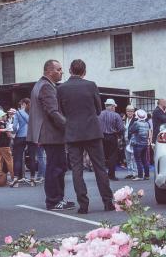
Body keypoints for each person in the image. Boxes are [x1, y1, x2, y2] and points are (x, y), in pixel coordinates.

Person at [57, 59, 114, 213]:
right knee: (100, 168)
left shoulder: (61, 88)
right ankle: (108, 202)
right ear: (84, 71)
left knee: (77, 170)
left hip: (73, 133)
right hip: (92, 131)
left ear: (70, 70)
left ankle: (83, 205)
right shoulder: (91, 85)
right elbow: (98, 109)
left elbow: (61, 111)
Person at [27, 59, 74, 211]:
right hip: (51, 134)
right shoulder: (47, 86)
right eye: (59, 69)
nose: (62, 72)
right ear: (49, 71)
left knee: (56, 166)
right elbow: (53, 111)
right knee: (56, 167)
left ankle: (57, 199)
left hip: (47, 134)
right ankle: (54, 201)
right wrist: (69, 126)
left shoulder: (40, 84)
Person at [11, 98, 35, 187]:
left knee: (17, 158)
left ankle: (16, 180)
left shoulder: (18, 113)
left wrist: (13, 132)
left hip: (20, 137)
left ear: (24, 104)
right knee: (32, 157)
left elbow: (14, 127)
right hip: (31, 136)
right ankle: (32, 180)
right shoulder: (33, 113)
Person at [99, 98, 125, 181]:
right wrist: (119, 135)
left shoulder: (99, 114)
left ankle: (101, 176)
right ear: (113, 106)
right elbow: (121, 128)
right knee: (112, 157)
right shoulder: (116, 115)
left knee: (101, 156)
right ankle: (111, 175)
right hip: (112, 137)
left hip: (101, 137)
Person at [129, 109, 152, 180]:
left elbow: (130, 130)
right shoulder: (147, 123)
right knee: (144, 160)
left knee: (138, 160)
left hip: (137, 144)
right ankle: (147, 175)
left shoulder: (136, 123)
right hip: (145, 144)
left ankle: (140, 176)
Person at [0, 110, 15, 184]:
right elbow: (8, 134)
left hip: (0, 144)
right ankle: (13, 177)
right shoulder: (2, 124)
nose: (6, 116)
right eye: (4, 115)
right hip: (5, 144)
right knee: (9, 160)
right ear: (1, 117)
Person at [123, 105, 138, 179]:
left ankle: (135, 173)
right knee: (127, 157)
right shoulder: (124, 119)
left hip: (132, 141)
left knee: (133, 158)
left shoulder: (135, 120)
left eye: (131, 111)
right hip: (125, 141)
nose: (130, 112)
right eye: (128, 111)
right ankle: (129, 173)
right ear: (126, 111)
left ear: (134, 112)